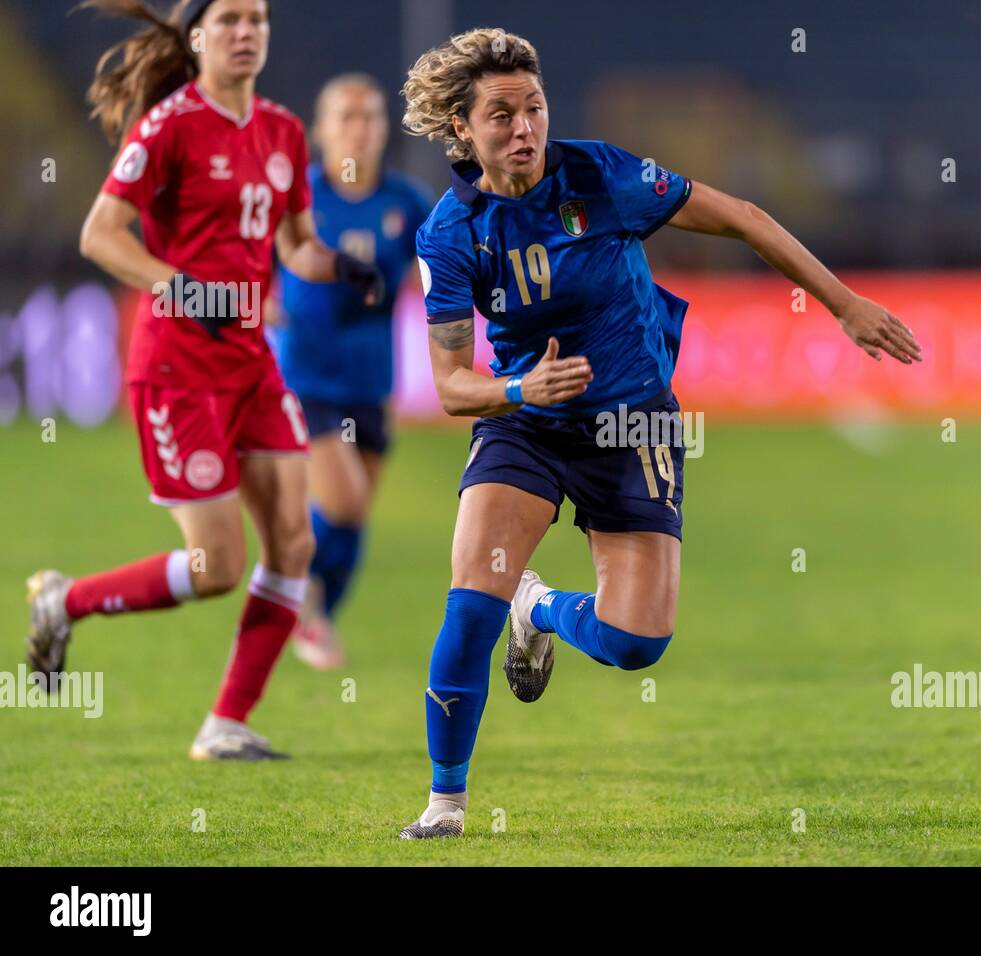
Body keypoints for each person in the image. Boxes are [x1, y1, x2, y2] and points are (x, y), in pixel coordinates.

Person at [398, 28, 920, 838]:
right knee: (469, 603)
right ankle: (445, 804)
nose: (525, 128)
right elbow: (450, 386)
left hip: (633, 422)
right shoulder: (450, 233)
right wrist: (517, 388)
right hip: (526, 426)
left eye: (533, 106)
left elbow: (743, 216)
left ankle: (537, 611)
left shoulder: (601, 175)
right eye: (501, 114)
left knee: (635, 644)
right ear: (461, 129)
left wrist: (842, 302)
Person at [25, 0, 382, 760]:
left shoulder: (283, 131)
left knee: (293, 543)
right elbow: (101, 236)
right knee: (215, 567)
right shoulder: (169, 126)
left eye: (257, 19)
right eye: (229, 21)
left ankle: (226, 723)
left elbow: (297, 247)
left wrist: (341, 266)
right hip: (177, 370)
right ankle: (65, 600)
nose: (247, 31)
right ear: (197, 39)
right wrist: (184, 289)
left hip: (251, 363)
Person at [272, 73, 433, 670]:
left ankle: (319, 614)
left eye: (370, 117)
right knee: (341, 500)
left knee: (358, 511)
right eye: (346, 117)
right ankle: (292, 579)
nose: (360, 129)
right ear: (320, 130)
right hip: (307, 376)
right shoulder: (297, 196)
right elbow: (251, 266)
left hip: (373, 381)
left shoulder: (406, 202)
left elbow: (443, 264)